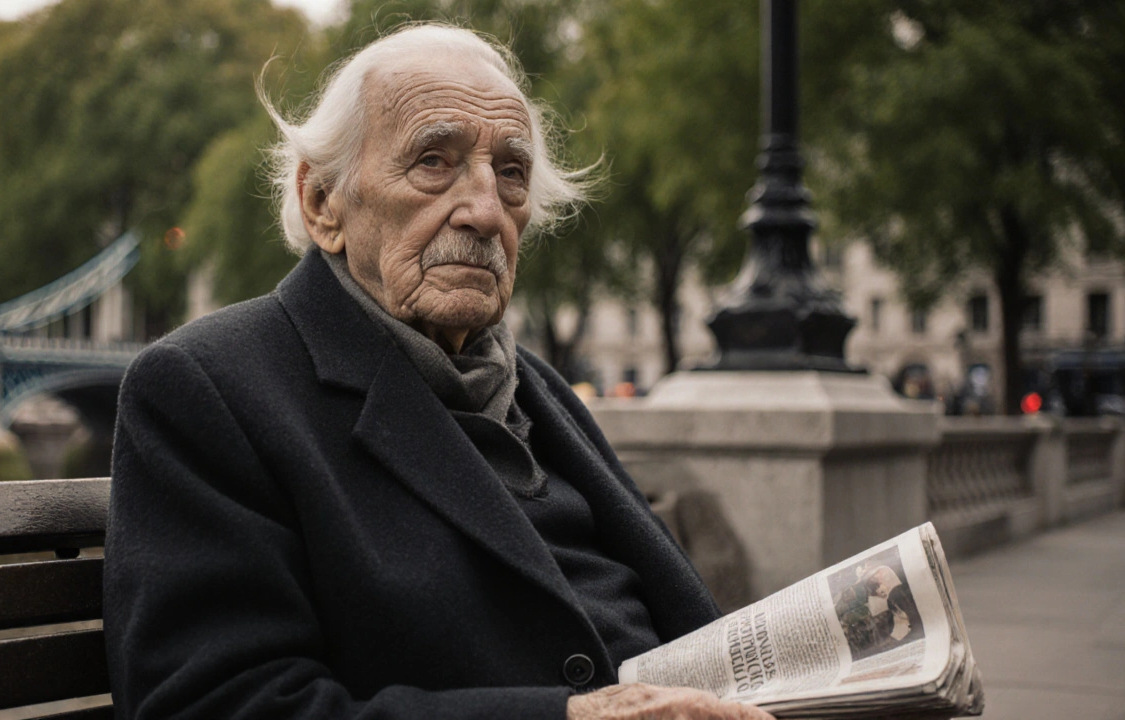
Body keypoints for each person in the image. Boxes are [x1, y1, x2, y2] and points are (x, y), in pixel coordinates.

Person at [104, 23, 771, 720]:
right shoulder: (208, 387)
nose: (486, 211)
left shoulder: (537, 390)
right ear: (322, 204)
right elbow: (213, 705)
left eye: (510, 173)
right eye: (433, 161)